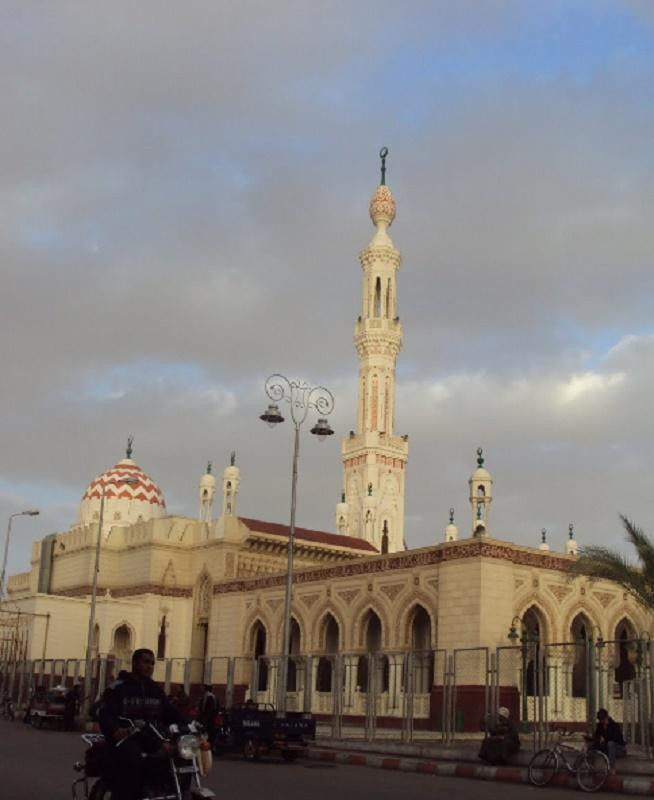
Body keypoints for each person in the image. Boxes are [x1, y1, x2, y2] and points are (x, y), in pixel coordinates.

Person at [97, 648, 185, 800]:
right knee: (134, 759)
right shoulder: (119, 688)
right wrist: (115, 729)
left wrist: (192, 724)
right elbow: (106, 713)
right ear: (135, 663)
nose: (149, 666)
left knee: (178, 756)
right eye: (145, 662)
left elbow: (171, 712)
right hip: (126, 739)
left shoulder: (155, 690)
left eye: (152, 663)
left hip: (151, 738)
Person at [592, 708, 626, 773]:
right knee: (591, 745)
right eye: (600, 720)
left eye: (603, 719)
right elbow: (597, 736)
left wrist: (605, 736)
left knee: (610, 744)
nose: (602, 722)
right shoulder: (600, 725)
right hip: (607, 748)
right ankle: (587, 765)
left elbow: (617, 739)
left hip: (618, 749)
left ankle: (612, 767)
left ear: (607, 718)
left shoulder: (614, 725)